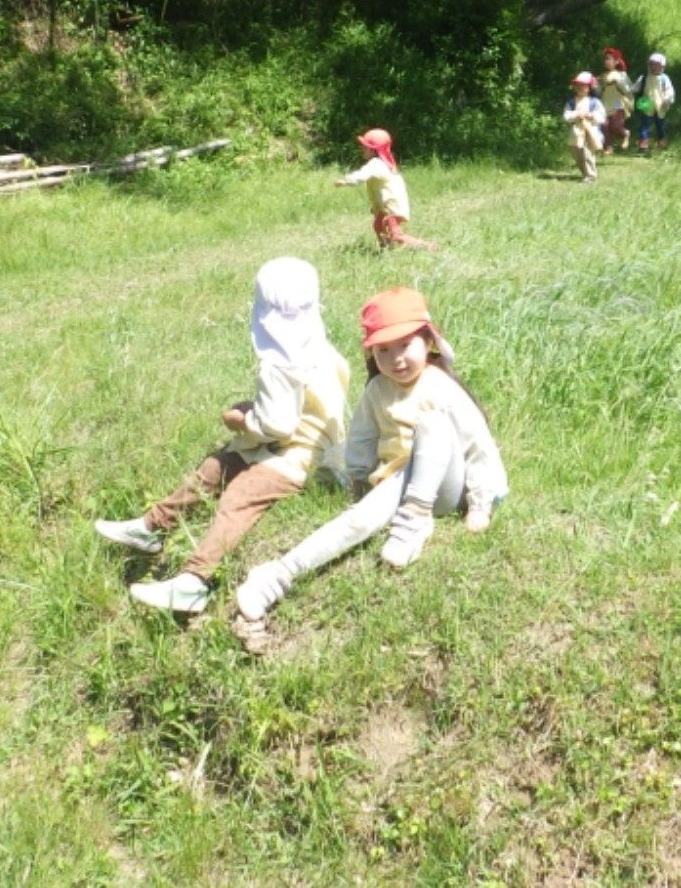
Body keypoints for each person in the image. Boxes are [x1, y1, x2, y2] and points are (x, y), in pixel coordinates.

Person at [231, 287, 506, 652]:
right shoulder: (378, 389)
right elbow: (362, 437)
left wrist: (480, 503)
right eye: (383, 350)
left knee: (432, 426)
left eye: (405, 345)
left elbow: (478, 447)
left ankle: (416, 518)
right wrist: (359, 477)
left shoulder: (440, 387)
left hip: (445, 490)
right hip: (400, 482)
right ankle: (279, 574)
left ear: (428, 341)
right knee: (358, 519)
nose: (397, 359)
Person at [94, 257, 352, 614]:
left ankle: (194, 582)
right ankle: (151, 526)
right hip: (300, 447)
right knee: (214, 467)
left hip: (295, 460)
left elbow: (278, 425)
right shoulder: (325, 353)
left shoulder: (279, 366)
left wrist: (241, 420)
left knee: (237, 499)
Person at [335, 127, 435, 250]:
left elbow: (362, 175)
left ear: (374, 150)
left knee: (397, 235)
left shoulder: (376, 164)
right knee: (378, 226)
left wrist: (346, 181)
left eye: (365, 146)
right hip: (385, 207)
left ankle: (427, 247)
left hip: (392, 207)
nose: (362, 149)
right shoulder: (381, 164)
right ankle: (386, 248)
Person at [564, 71, 606, 183]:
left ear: (589, 87)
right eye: (577, 85)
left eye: (583, 85)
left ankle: (590, 175)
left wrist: (591, 115)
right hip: (576, 132)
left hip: (590, 131)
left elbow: (602, 117)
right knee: (577, 154)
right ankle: (584, 172)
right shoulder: (572, 102)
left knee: (588, 154)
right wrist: (576, 114)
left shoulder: (594, 102)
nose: (579, 87)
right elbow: (566, 116)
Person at [632, 53, 675, 154]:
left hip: (660, 105)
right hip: (647, 103)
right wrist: (628, 91)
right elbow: (635, 87)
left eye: (656, 65)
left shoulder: (664, 79)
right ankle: (643, 141)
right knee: (644, 124)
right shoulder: (644, 77)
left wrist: (668, 99)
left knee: (660, 124)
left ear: (662, 67)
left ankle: (661, 139)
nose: (653, 67)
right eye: (651, 64)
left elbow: (669, 91)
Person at [598, 47, 634, 151]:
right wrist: (597, 85)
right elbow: (599, 92)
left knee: (615, 126)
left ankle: (625, 134)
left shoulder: (621, 75)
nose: (606, 61)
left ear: (616, 61)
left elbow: (628, 90)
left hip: (617, 104)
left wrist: (617, 82)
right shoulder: (603, 75)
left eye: (609, 59)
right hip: (605, 104)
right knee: (605, 126)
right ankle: (608, 146)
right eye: (605, 59)